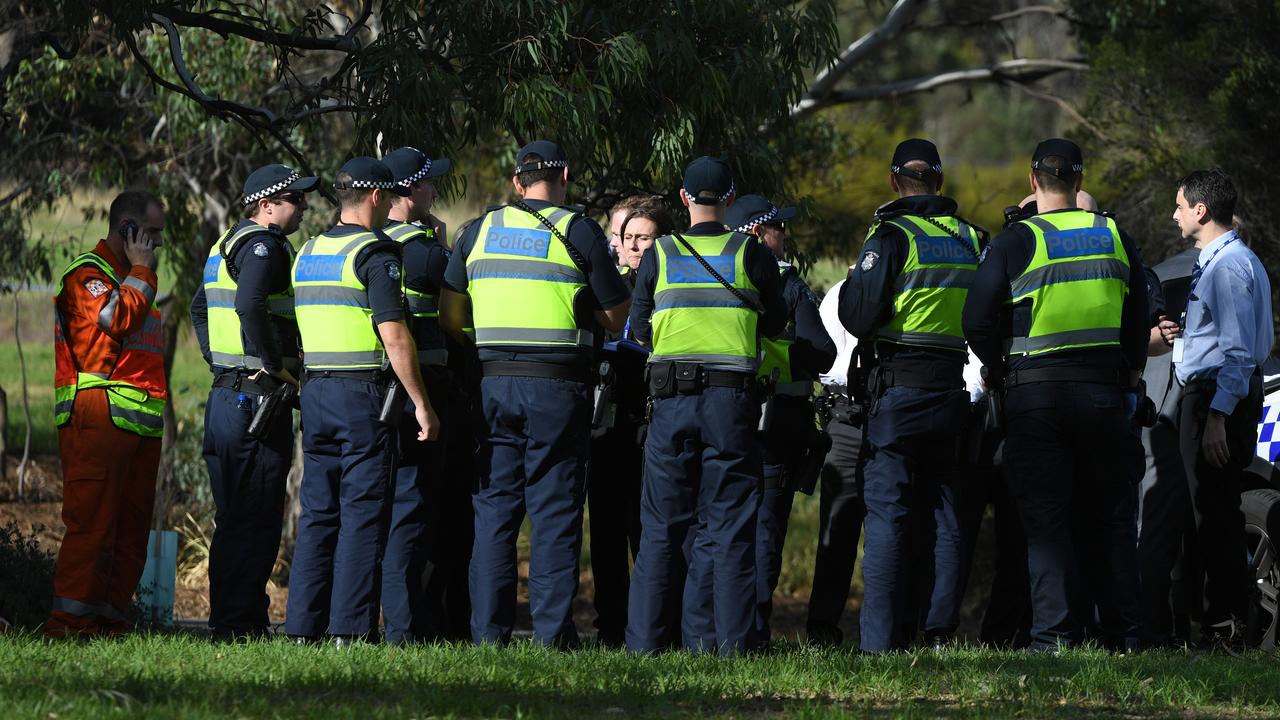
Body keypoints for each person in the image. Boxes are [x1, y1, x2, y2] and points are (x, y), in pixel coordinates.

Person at [439, 140, 631, 647]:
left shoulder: (477, 232)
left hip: (493, 386)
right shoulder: (579, 231)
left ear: (516, 181)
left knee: (495, 513)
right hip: (557, 389)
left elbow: (452, 317)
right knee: (554, 511)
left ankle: (488, 636)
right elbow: (616, 317)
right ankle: (551, 635)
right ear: (564, 175)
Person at [963, 138, 1149, 652]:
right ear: (1079, 182)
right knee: (1111, 519)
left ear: (1032, 181)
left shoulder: (1016, 241)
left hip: (1035, 397)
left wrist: (1001, 369)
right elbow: (1138, 314)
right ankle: (1125, 637)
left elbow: (976, 320)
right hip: (1104, 396)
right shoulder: (1113, 234)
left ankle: (1054, 639)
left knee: (1046, 522)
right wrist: (1130, 372)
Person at [625, 156, 787, 656]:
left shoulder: (662, 254)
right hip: (730, 403)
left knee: (660, 529)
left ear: (683, 198)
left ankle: (645, 647)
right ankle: (732, 646)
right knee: (732, 525)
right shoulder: (751, 253)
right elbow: (777, 323)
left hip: (670, 401)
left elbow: (640, 327)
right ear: (732, 199)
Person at [284, 157, 441, 645]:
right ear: (377, 198)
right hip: (361, 398)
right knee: (362, 513)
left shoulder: (307, 250)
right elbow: (394, 335)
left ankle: (302, 630)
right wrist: (422, 402)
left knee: (318, 514)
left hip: (316, 393)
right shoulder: (375, 252)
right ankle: (350, 632)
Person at [838, 139, 979, 652]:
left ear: (895, 182)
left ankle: (878, 643)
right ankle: (939, 632)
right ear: (939, 183)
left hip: (897, 393)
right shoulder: (970, 239)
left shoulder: (891, 236)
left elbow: (858, 317)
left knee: (889, 516)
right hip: (949, 390)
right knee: (946, 514)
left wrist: (857, 282)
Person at [684, 194, 834, 649]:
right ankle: (749, 633)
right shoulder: (785, 281)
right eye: (777, 227)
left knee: (709, 527)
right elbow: (822, 352)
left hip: (707, 417)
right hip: (772, 425)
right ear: (755, 232)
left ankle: (701, 636)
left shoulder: (695, 266)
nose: (784, 235)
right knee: (762, 531)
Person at [189, 164, 318, 639]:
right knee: (258, 517)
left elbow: (198, 308)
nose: (303, 207)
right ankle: (241, 624)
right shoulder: (263, 245)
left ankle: (230, 620)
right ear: (267, 205)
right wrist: (273, 363)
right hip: (256, 401)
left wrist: (220, 361)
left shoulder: (223, 244)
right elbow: (249, 304)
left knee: (234, 519)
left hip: (227, 394)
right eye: (296, 200)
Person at [47, 190, 167, 637]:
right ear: (127, 230)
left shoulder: (137, 279)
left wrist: (139, 273)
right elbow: (116, 319)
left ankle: (108, 622)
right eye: (151, 232)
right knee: (92, 527)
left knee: (130, 532)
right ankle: (68, 626)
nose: (158, 243)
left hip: (137, 422)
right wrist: (140, 271)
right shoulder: (89, 276)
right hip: (96, 418)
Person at [1169, 169, 1272, 650]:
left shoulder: (1228, 266)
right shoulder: (1227, 261)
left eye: (1179, 206)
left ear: (1201, 211)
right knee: (1209, 511)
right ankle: (1218, 625)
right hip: (1215, 394)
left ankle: (1226, 626)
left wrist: (1216, 416)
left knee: (1214, 516)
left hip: (1217, 398)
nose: (1175, 215)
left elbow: (1235, 352)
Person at [587, 196, 672, 646]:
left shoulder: (671, 283)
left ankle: (652, 625)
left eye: (643, 238)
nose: (632, 246)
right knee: (605, 530)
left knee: (649, 528)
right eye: (625, 237)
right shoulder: (606, 291)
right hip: (607, 421)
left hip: (654, 421)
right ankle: (610, 626)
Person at [379, 146, 453, 643]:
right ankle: (408, 630)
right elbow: (456, 318)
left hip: (369, 393)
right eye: (429, 184)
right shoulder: (429, 254)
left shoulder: (367, 245)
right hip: (424, 391)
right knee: (414, 511)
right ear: (410, 192)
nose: (435, 191)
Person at [804, 278, 865, 646]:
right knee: (837, 530)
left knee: (891, 530)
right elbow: (826, 362)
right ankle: (822, 629)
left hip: (889, 412)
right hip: (846, 413)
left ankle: (884, 633)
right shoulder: (842, 292)